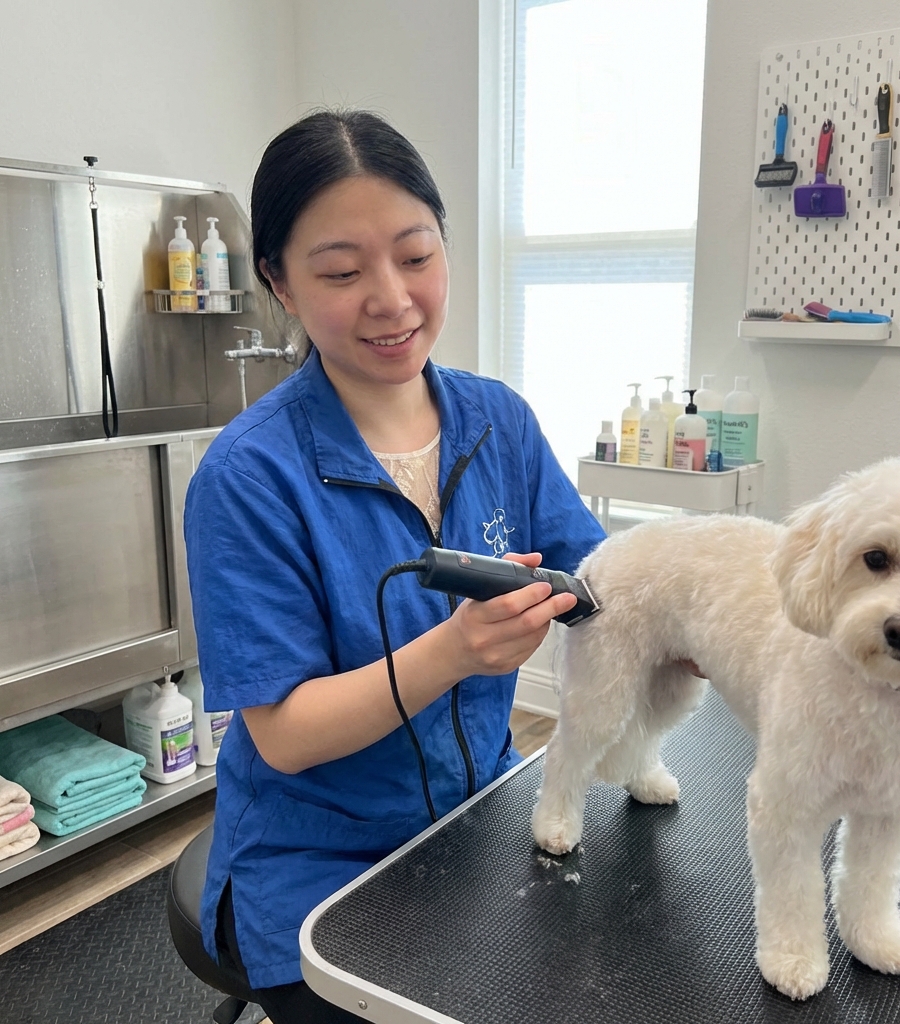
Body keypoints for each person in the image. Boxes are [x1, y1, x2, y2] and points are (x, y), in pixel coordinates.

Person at [183, 109, 606, 1023]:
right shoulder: (250, 475)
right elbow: (285, 732)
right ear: (279, 284)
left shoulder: (499, 421)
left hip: (478, 822)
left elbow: (599, 577)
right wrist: (453, 652)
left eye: (416, 257)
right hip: (315, 875)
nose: (391, 298)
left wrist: (688, 611)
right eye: (341, 271)